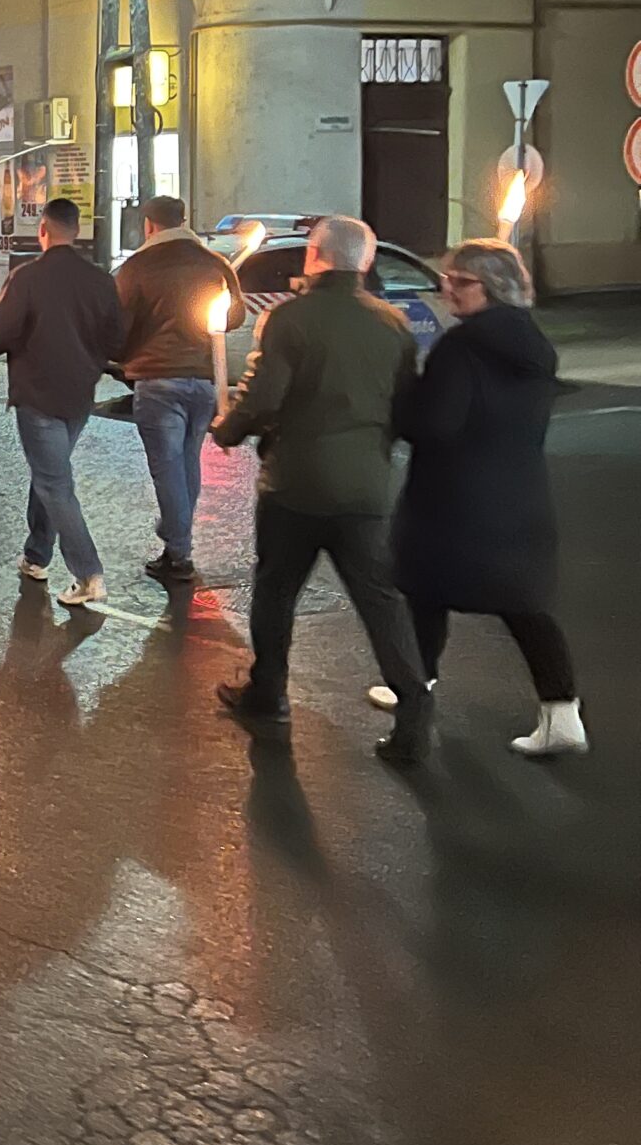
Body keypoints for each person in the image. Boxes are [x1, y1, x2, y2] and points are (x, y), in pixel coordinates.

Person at [212, 214, 431, 762]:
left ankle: (268, 692)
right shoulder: (392, 324)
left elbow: (264, 397)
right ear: (367, 261)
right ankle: (414, 706)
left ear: (314, 256)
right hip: (367, 486)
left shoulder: (290, 319)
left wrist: (228, 429)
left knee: (277, 589)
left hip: (296, 483)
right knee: (380, 600)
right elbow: (406, 406)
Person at [380, 238, 585, 757]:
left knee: (425, 591)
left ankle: (416, 687)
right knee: (523, 605)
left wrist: (404, 398)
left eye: (460, 281)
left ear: (491, 287)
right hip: (519, 493)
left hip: (454, 498)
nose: (447, 289)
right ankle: (561, 712)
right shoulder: (534, 346)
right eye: (447, 278)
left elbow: (435, 423)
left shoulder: (462, 347)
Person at [0, 196, 122, 608]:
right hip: (79, 395)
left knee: (54, 483)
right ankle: (37, 555)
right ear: (76, 231)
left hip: (38, 394)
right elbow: (116, 339)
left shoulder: (27, 278)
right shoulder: (100, 280)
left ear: (43, 230)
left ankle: (88, 573)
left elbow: (3, 332)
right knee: (49, 472)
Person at [114, 194, 244, 581]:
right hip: (204, 380)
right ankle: (176, 542)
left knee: (168, 468)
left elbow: (117, 329)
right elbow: (234, 315)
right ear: (183, 221)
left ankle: (179, 551)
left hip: (157, 380)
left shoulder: (136, 268)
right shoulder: (214, 263)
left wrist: (119, 356)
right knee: (188, 462)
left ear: (149, 225)